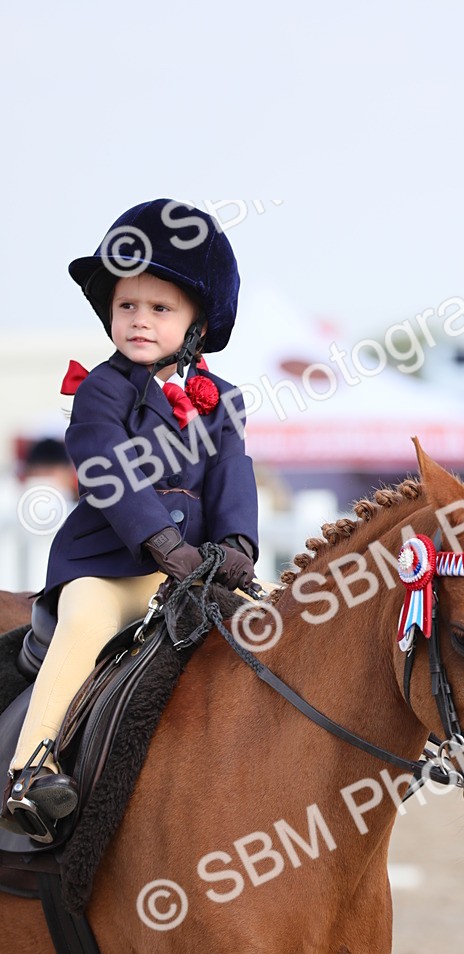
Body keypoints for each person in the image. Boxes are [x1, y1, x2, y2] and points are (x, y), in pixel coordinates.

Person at [2, 199, 260, 843]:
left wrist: (237, 546)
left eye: (160, 308)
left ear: (198, 322)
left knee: (275, 626)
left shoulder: (223, 399)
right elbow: (107, 468)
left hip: (189, 572)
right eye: (127, 306)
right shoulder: (101, 390)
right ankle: (29, 773)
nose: (140, 320)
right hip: (109, 566)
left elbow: (234, 470)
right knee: (85, 622)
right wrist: (163, 542)